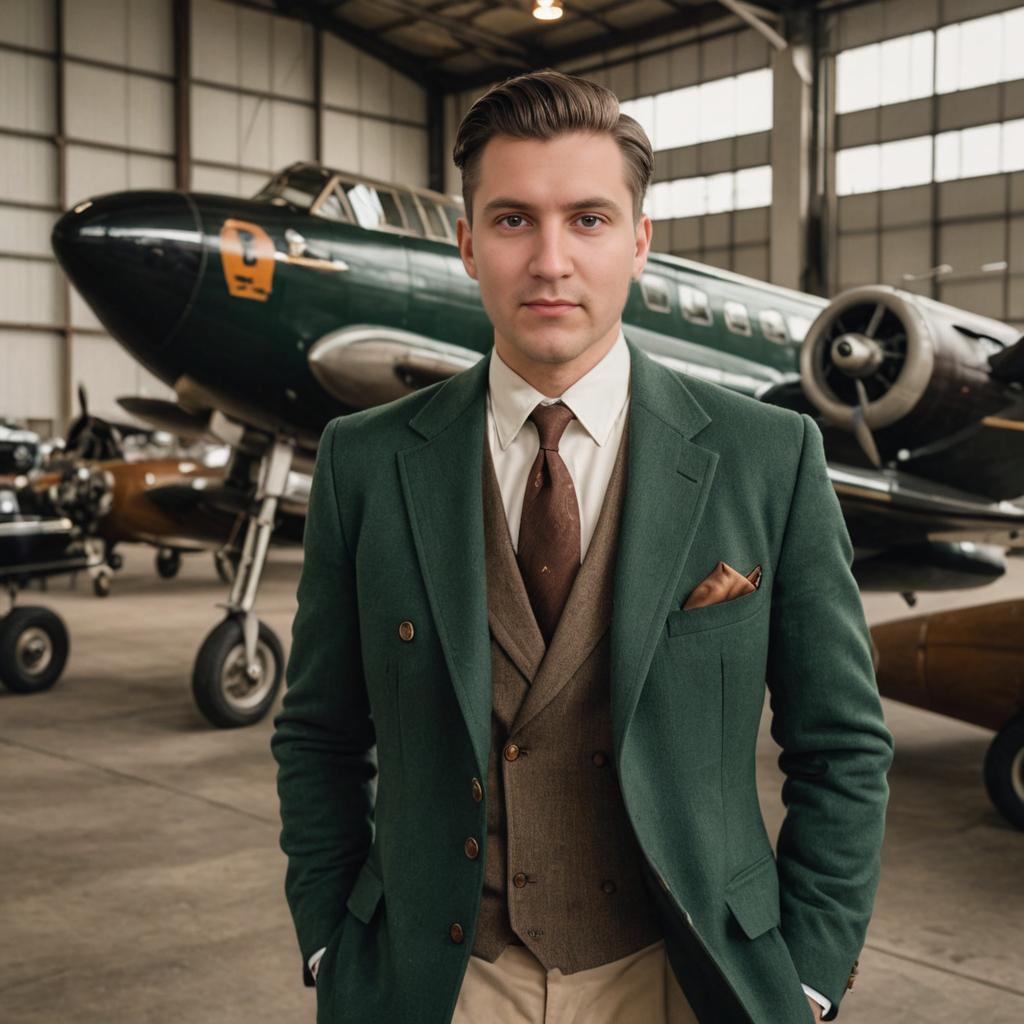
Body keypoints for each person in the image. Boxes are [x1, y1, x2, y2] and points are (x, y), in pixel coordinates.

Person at [271, 68, 894, 1024]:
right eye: (515, 220)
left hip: (688, 976)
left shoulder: (768, 457)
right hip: (441, 984)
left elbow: (842, 743)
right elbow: (319, 733)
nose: (551, 261)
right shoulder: (365, 461)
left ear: (639, 242)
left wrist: (805, 971)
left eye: (590, 220)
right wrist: (329, 944)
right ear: (468, 244)